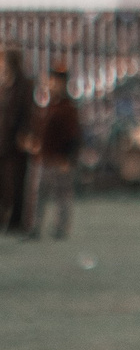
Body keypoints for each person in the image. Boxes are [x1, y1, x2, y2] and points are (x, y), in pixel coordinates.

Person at [23, 63, 82, 240]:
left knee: (61, 197)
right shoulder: (48, 106)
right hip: (43, 158)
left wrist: (68, 158)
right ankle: (34, 227)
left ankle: (60, 228)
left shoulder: (67, 108)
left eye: (54, 81)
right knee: (37, 197)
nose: (51, 84)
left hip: (58, 160)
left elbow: (74, 136)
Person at [0, 45, 31, 236]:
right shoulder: (5, 85)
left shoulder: (24, 86)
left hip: (15, 144)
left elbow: (26, 113)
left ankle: (17, 220)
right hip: (2, 141)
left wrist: (23, 134)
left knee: (16, 184)